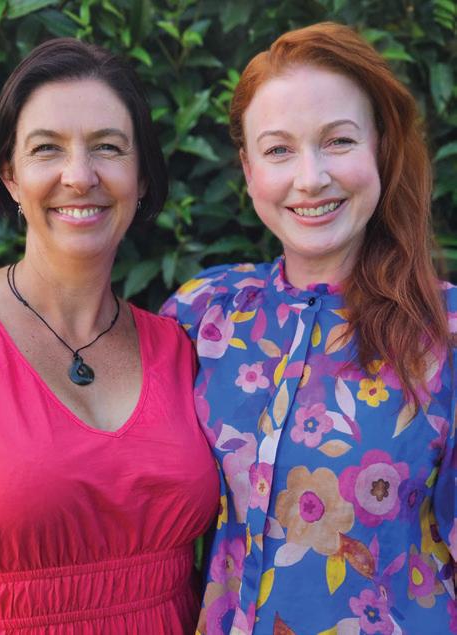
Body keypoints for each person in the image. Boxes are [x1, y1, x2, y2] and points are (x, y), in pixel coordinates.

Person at [0, 38, 219, 634]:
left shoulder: (182, 347)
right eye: (47, 148)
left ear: (142, 177)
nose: (80, 176)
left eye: (108, 148)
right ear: (11, 176)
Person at [162, 22, 456, 634]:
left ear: (380, 148)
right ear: (248, 170)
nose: (311, 177)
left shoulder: (446, 333)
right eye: (278, 150)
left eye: (338, 141)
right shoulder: (202, 316)